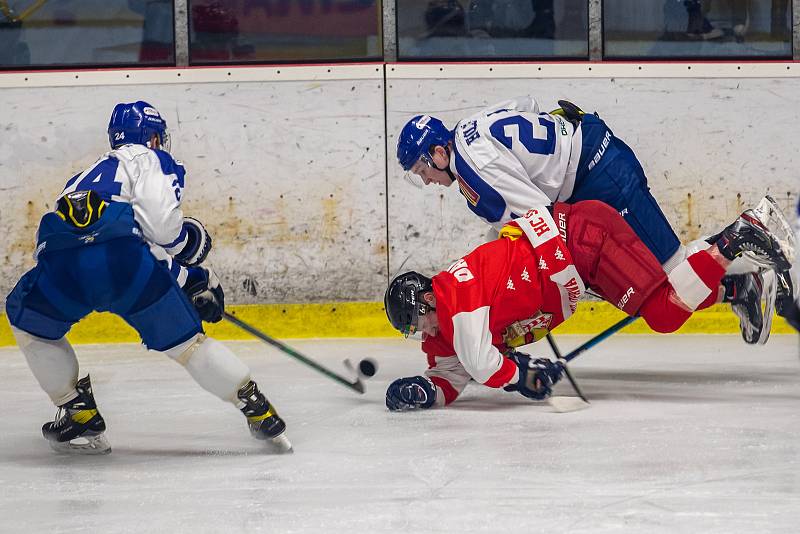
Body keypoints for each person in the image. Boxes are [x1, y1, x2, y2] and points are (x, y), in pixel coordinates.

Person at [4, 101, 290, 454]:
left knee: (30, 323)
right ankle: (256, 409)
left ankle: (75, 407)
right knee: (188, 347)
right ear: (153, 137)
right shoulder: (150, 159)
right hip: (126, 268)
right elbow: (157, 234)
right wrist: (192, 268)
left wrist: (185, 278)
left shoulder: (81, 177)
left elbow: (76, 245)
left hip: (63, 267)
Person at [396, 97, 768, 344]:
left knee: (669, 284)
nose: (426, 180)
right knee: (654, 292)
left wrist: (556, 290)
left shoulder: (473, 172)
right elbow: (527, 105)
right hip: (588, 162)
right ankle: (739, 286)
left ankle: (743, 242)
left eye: (422, 170)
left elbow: (539, 218)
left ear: (439, 152)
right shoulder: (468, 129)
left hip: (600, 176)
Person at [382, 199, 791, 410]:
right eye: (414, 333)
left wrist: (522, 375)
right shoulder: (443, 320)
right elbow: (452, 375)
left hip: (583, 243)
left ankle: (737, 236)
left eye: (419, 323)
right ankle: (741, 287)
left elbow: (482, 364)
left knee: (664, 313)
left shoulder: (457, 301)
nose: (424, 333)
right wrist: (425, 390)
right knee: (667, 293)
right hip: (576, 256)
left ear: (427, 299)